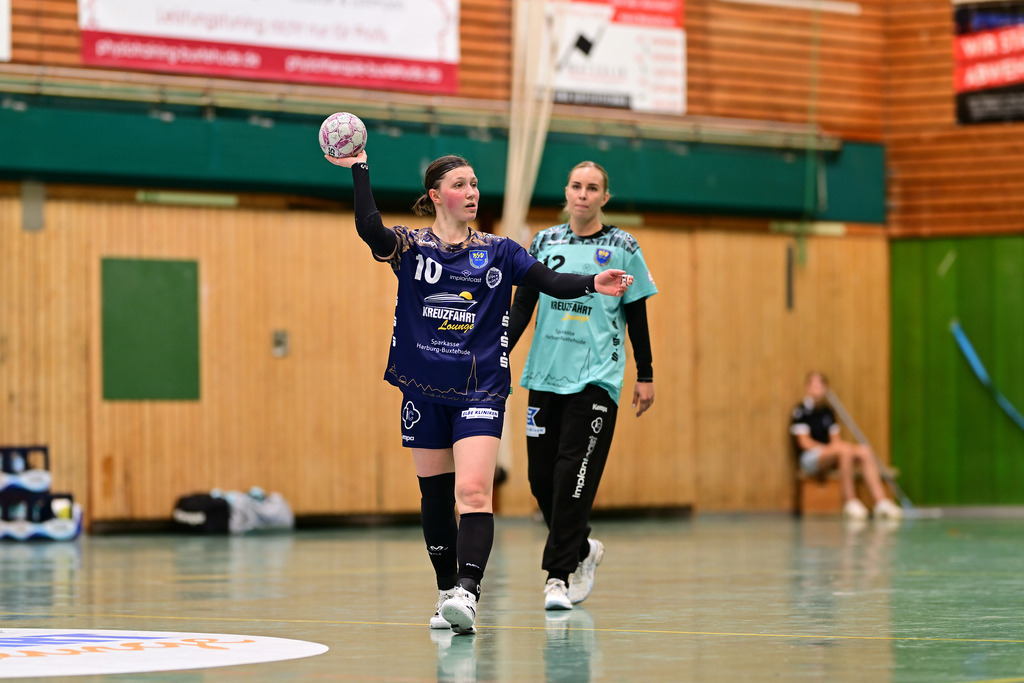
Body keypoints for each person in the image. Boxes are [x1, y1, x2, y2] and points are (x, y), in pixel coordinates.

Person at [325, 149, 634, 635]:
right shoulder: (411, 247)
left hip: (480, 389)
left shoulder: (500, 250)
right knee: (434, 497)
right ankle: (446, 588)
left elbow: (548, 279)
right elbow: (370, 228)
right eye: (460, 185)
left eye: (474, 184)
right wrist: (360, 166)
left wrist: (593, 281)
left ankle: (468, 592)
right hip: (423, 388)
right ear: (435, 196)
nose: (471, 193)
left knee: (472, 491)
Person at [508, 161, 659, 611]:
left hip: (597, 378)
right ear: (567, 191)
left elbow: (636, 315)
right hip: (544, 374)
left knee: (573, 474)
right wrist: (497, 352)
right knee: (541, 479)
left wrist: (645, 374)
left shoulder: (622, 245)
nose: (583, 194)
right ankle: (583, 548)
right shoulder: (543, 242)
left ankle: (557, 577)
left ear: (603, 197)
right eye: (576, 185)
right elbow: (522, 305)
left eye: (592, 188)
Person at [790, 371, 902, 520]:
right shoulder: (801, 411)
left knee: (864, 451)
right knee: (844, 450)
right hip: (811, 457)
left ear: (826, 389)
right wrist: (829, 449)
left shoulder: (827, 412)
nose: (817, 388)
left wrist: (836, 448)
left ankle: (882, 502)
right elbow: (804, 443)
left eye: (821, 385)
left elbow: (835, 440)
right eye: (813, 385)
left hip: (831, 454)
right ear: (807, 388)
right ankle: (850, 502)